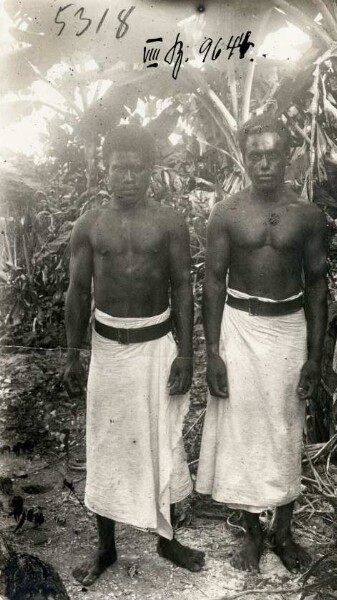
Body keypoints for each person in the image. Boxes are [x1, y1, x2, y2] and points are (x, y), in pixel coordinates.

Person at [63, 124, 204, 586]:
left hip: (156, 346)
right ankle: (106, 547)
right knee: (106, 448)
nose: (127, 177)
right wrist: (72, 355)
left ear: (149, 171)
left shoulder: (168, 222)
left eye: (136, 168)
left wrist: (185, 354)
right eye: (118, 168)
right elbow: (77, 293)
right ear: (105, 170)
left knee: (164, 439)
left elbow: (183, 286)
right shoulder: (89, 225)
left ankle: (167, 538)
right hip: (109, 350)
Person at [196, 114, 328, 573]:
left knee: (285, 427)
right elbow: (212, 283)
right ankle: (252, 533)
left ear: (288, 156)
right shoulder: (227, 213)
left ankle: (284, 532)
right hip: (240, 328)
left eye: (274, 154)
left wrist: (315, 356)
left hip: (287, 329)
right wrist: (212, 352)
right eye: (257, 155)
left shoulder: (307, 215)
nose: (265, 164)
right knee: (243, 431)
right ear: (245, 158)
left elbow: (317, 286)